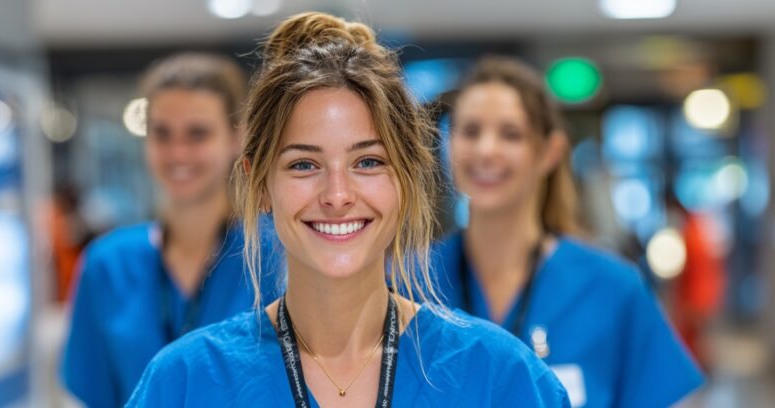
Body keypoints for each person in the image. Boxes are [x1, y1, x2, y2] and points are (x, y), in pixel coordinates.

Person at [126, 13, 570, 407]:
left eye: (368, 162)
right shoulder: (184, 382)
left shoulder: (499, 377)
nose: (337, 195)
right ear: (259, 183)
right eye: (303, 164)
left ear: (408, 176)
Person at [431, 56, 704, 407]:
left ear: (550, 152)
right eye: (470, 131)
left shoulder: (611, 288)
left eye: (510, 134)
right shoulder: (412, 282)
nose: (486, 150)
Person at [60, 53, 283, 407]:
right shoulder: (108, 264)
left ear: (235, 140)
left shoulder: (279, 255)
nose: (178, 153)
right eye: (162, 134)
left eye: (198, 134)